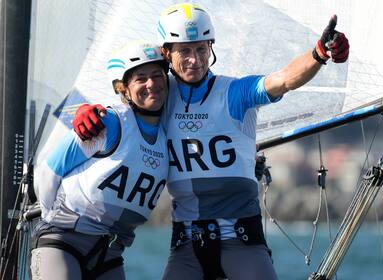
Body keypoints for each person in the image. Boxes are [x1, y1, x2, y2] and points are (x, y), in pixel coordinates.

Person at [72, 3, 349, 279]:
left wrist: (318, 54)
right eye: (184, 51)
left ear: (211, 48)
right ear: (167, 53)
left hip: (242, 242)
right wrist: (91, 112)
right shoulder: (159, 94)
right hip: (187, 247)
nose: (195, 59)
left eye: (201, 49)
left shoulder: (235, 92)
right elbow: (125, 102)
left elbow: (284, 79)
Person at [30, 41, 170, 280]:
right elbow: (49, 171)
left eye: (157, 75)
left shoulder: (169, 134)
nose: (151, 84)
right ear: (124, 88)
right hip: (63, 242)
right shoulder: (109, 123)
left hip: (111, 253)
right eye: (141, 78)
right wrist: (50, 217)